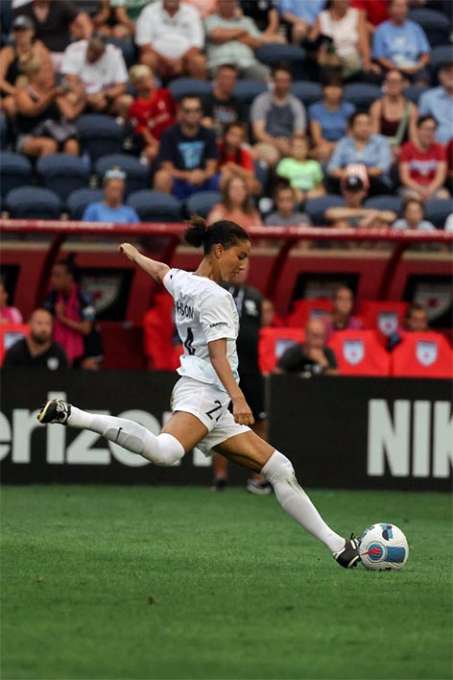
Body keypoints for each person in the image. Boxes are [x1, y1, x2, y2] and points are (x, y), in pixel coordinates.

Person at [37, 217, 362, 569]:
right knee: (164, 452)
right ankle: (75, 415)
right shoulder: (218, 297)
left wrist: (135, 256)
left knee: (280, 468)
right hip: (206, 391)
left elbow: (161, 270)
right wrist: (239, 397)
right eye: (239, 255)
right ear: (218, 250)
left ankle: (339, 547)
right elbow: (220, 355)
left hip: (209, 393)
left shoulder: (185, 281)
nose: (243, 264)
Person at [212, 259, 272, 495]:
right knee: (219, 419)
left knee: (259, 420)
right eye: (238, 263)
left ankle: (258, 477)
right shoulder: (216, 291)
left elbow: (259, 328)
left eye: (246, 264)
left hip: (251, 368)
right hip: (225, 367)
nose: (241, 269)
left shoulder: (255, 297)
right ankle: (219, 476)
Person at [153, 95, 219, 200]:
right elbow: (167, 168)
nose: (192, 114)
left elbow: (211, 167)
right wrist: (189, 176)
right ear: (181, 113)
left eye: (196, 110)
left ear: (201, 113)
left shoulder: (209, 134)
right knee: (162, 177)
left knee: (224, 179)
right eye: (187, 111)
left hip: (203, 180)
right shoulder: (169, 134)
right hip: (179, 181)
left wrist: (202, 175)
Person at [14, 56, 80, 157]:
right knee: (49, 145)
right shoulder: (22, 93)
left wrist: (78, 97)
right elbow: (31, 111)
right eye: (46, 72)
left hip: (56, 133)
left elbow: (70, 115)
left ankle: (70, 172)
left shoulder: (54, 92)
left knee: (72, 145)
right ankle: (44, 172)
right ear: (34, 75)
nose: (51, 75)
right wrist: (51, 96)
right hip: (30, 136)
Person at [43, 257, 96, 366]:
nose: (52, 280)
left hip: (83, 353)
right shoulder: (51, 298)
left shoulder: (86, 299)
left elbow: (86, 328)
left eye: (57, 276)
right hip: (56, 350)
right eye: (52, 275)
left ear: (69, 277)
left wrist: (62, 318)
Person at [136, 0, 206, 80]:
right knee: (147, 59)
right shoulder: (149, 11)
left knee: (199, 61)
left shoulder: (191, 11)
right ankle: (151, 91)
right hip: (158, 60)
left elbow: (197, 43)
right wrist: (165, 61)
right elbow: (144, 42)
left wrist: (180, 61)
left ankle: (199, 90)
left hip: (184, 61)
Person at [0, 14, 54, 119]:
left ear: (32, 32)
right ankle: (19, 133)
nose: (20, 34)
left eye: (24, 30)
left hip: (35, 93)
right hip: (13, 93)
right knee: (9, 104)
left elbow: (48, 80)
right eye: (17, 30)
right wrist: (16, 92)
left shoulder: (41, 51)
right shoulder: (8, 52)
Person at [251, 65, 306, 166]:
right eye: (279, 80)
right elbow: (258, 133)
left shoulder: (296, 103)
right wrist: (276, 143)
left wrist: (289, 145)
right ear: (273, 81)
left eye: (286, 81)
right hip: (267, 142)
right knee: (271, 156)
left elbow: (299, 133)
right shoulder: (261, 101)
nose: (283, 84)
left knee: (300, 153)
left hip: (291, 143)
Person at [13, 0, 92, 70]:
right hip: (36, 56)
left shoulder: (62, 5)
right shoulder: (22, 10)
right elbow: (16, 34)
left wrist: (87, 44)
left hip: (62, 55)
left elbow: (84, 22)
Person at [61, 33, 128, 115]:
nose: (91, 54)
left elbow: (121, 86)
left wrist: (104, 95)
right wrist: (87, 97)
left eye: (96, 53)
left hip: (103, 96)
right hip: (81, 94)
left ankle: (118, 124)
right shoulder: (74, 49)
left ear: (104, 51)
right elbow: (72, 81)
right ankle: (70, 125)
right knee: (71, 98)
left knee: (125, 101)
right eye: (90, 49)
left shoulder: (114, 53)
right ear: (88, 44)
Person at [327, 112, 393, 195]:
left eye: (368, 124)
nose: (364, 128)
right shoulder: (343, 143)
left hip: (374, 181)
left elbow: (382, 168)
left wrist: (360, 173)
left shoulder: (381, 142)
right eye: (359, 124)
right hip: (347, 179)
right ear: (351, 127)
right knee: (333, 182)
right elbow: (332, 168)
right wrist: (351, 174)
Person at [205, 0, 271, 82]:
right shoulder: (210, 20)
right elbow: (216, 36)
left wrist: (227, 34)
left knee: (267, 75)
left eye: (231, 2)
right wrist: (241, 32)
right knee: (226, 76)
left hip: (247, 62)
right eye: (225, 2)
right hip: (220, 62)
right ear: (218, 4)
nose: (229, 4)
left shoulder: (246, 21)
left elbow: (257, 43)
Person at [310, 0, 373, 79]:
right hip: (329, 60)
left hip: (351, 61)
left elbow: (364, 43)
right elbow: (311, 43)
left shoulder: (358, 15)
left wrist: (367, 62)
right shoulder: (322, 17)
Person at [126, 64, 176, 162]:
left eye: (150, 77)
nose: (150, 81)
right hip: (157, 142)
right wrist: (161, 146)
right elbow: (145, 134)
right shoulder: (135, 108)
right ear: (136, 85)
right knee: (151, 153)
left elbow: (177, 116)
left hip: (175, 137)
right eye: (144, 80)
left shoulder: (165, 94)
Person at [372, 0, 430, 82]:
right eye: (398, 6)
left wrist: (418, 66)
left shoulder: (416, 28)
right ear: (389, 9)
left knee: (423, 77)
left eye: (404, 6)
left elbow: (425, 54)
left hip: (414, 67)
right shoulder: (381, 30)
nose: (401, 10)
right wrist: (398, 68)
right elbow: (380, 57)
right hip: (391, 68)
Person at [369, 69, 418, 156]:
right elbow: (374, 137)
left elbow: (413, 138)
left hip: (404, 153)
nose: (393, 85)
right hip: (381, 152)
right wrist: (387, 150)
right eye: (390, 81)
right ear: (385, 84)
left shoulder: (411, 108)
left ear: (404, 84)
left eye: (396, 82)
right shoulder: (377, 106)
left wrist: (404, 152)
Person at [399, 116, 449, 201]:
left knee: (444, 196)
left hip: (434, 189)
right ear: (418, 130)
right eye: (426, 129)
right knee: (414, 199)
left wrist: (430, 190)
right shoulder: (407, 148)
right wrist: (420, 190)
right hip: (412, 189)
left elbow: (440, 176)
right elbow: (405, 177)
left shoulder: (439, 149)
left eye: (433, 129)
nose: (429, 133)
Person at [309, 77, 355, 163]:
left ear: (342, 91)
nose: (333, 90)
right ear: (323, 90)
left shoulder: (349, 108)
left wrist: (337, 146)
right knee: (323, 152)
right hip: (322, 146)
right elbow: (317, 138)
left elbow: (350, 136)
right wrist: (329, 146)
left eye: (337, 87)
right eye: (330, 87)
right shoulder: (315, 109)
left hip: (345, 145)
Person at [3, 308, 68, 369]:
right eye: (39, 323)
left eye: (48, 324)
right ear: (29, 324)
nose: (44, 328)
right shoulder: (15, 352)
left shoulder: (59, 353)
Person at [325, 175, 396, 229]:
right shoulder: (338, 209)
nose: (352, 194)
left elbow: (391, 216)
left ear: (363, 192)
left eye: (355, 191)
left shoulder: (369, 207)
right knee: (340, 225)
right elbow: (330, 214)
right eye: (349, 190)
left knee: (380, 224)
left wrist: (376, 215)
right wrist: (365, 213)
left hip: (366, 244)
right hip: (343, 246)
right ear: (343, 192)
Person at [276, 135, 325, 201]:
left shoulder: (314, 165)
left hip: (310, 194)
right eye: (296, 147)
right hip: (291, 194)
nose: (299, 150)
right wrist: (295, 192)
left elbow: (320, 187)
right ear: (291, 149)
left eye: (301, 147)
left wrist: (306, 195)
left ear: (307, 149)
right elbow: (281, 185)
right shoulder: (285, 163)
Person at [218, 122, 259, 194]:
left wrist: (233, 167)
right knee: (227, 175)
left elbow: (250, 174)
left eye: (239, 136)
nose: (236, 139)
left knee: (252, 183)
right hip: (218, 179)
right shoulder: (217, 148)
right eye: (232, 134)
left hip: (237, 180)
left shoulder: (244, 153)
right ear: (225, 135)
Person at [202, 64, 242, 137]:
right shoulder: (205, 101)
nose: (228, 81)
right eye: (225, 77)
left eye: (232, 78)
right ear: (217, 79)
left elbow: (242, 128)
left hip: (233, 141)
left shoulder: (238, 102)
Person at [418, 61, 453, 145]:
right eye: (447, 71)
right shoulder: (427, 97)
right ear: (439, 75)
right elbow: (421, 126)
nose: (451, 75)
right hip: (437, 148)